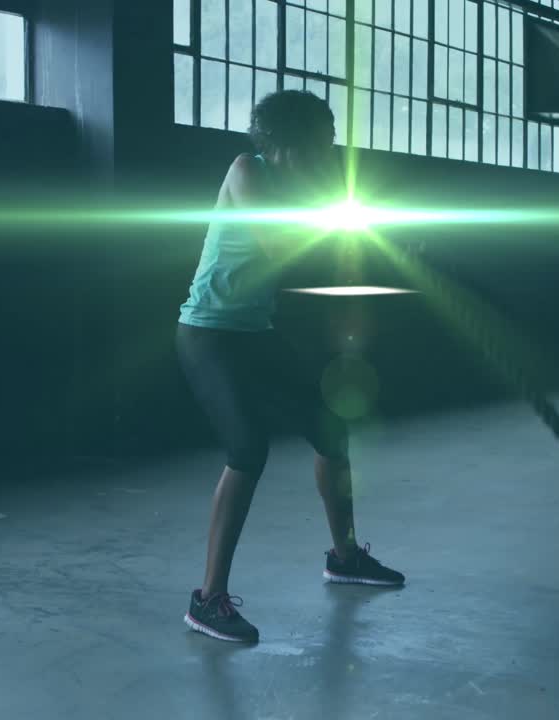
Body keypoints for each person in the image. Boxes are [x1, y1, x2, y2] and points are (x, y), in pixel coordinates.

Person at [177, 90, 405, 644]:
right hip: (209, 333)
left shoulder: (302, 185)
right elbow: (279, 245)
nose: (327, 154)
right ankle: (208, 601)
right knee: (248, 449)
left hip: (255, 332)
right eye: (321, 143)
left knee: (331, 429)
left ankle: (344, 557)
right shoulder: (246, 171)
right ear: (287, 143)